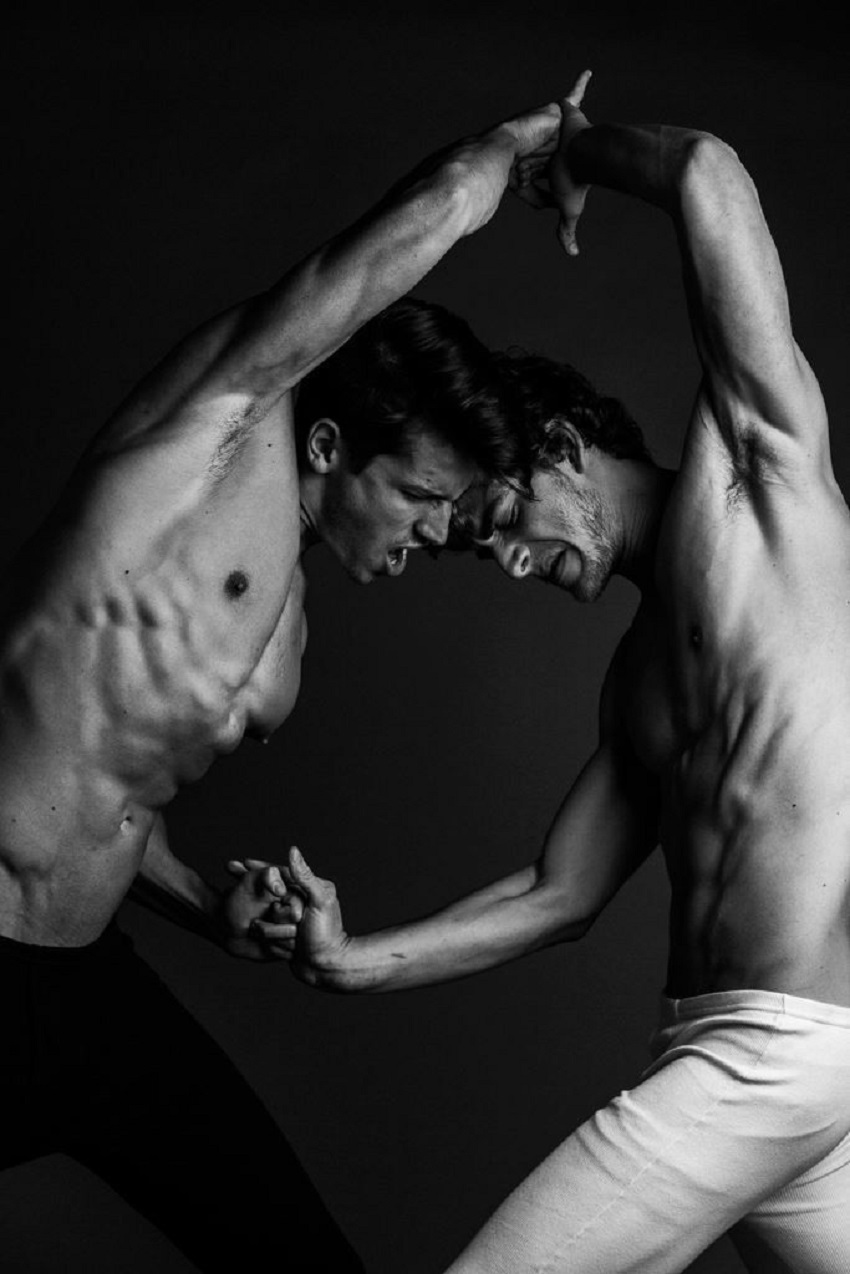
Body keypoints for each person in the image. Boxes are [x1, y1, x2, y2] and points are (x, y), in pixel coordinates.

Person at [0, 78, 587, 1271]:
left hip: (84, 981)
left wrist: (203, 901)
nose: (434, 531)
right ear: (329, 444)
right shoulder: (209, 431)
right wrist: (519, 149)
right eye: (419, 495)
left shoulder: (291, 613)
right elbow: (365, 265)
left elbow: (102, 792)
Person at [265, 77, 850, 1271]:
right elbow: (557, 893)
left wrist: (581, 154)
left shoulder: (760, 490)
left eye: (500, 523)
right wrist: (349, 959)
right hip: (760, 1072)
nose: (511, 561)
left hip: (770, 1056)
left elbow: (708, 171)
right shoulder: (637, 682)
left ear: (565, 448)